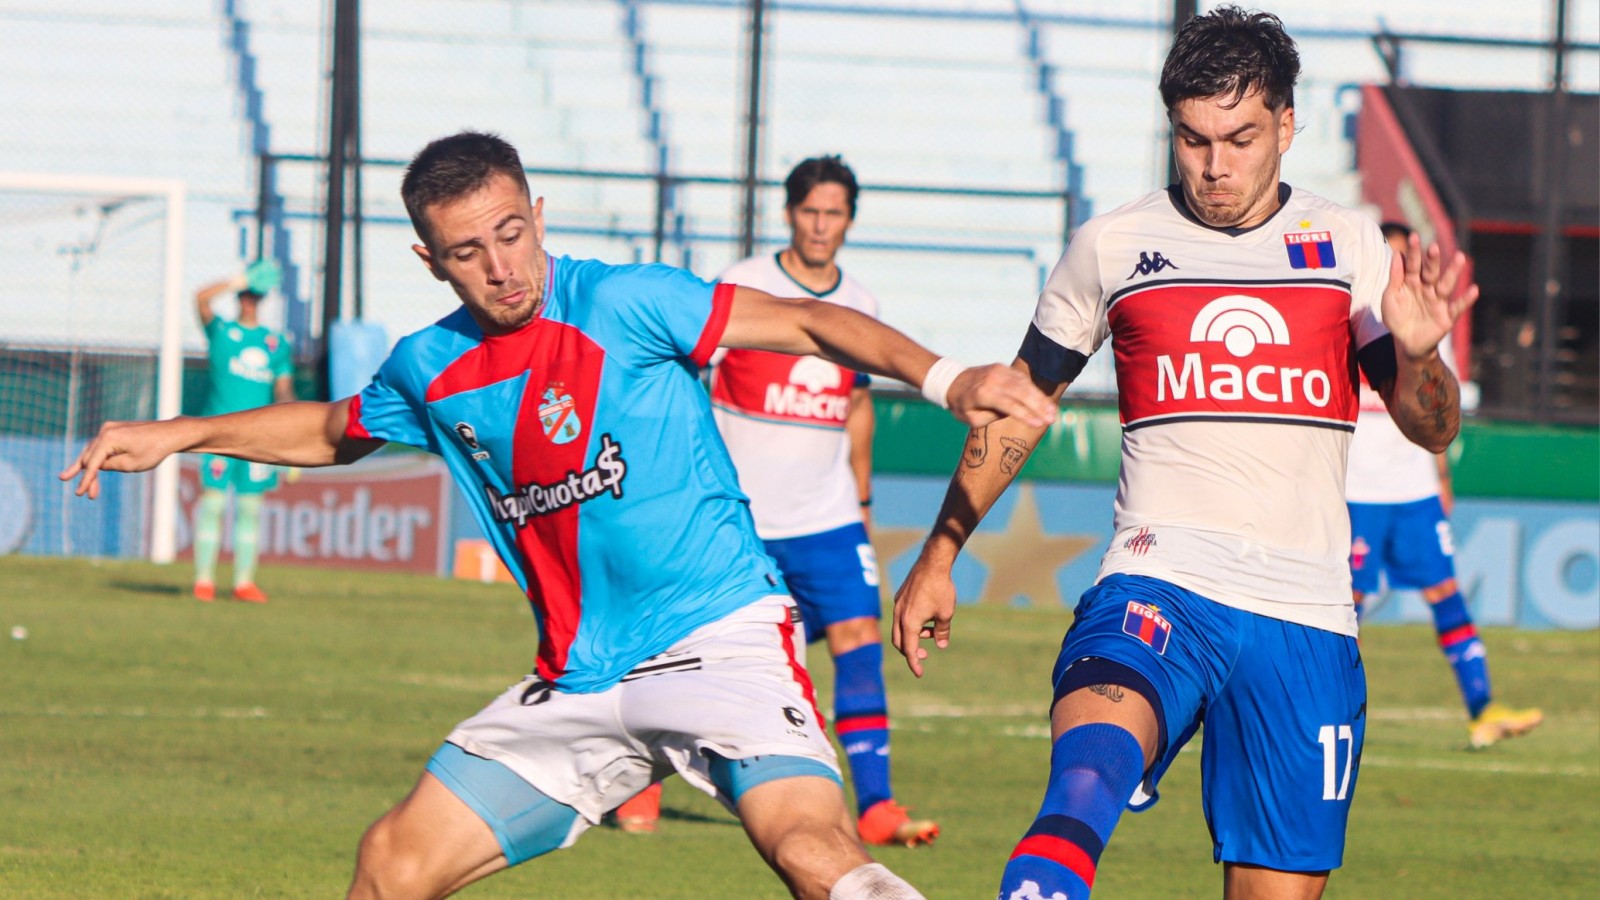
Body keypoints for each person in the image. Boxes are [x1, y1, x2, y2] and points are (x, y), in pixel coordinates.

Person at [62, 131, 1056, 900]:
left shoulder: (626, 299)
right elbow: (331, 430)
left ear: (536, 211)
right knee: (392, 865)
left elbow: (801, 320)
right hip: (576, 683)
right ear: (428, 259)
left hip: (720, 647)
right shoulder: (429, 366)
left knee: (809, 852)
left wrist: (946, 375)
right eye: (468, 251)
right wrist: (184, 432)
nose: (502, 267)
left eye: (511, 232)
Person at [890, 9, 1477, 899]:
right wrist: (940, 554)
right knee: (1084, 779)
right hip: (1159, 579)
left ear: (1286, 124)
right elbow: (1017, 410)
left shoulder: (1349, 244)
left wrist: (1423, 354)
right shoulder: (1112, 245)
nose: (1214, 167)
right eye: (1192, 139)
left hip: (1305, 616)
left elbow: (1433, 427)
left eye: (1239, 139)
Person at [614, 156, 939, 847]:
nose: (822, 226)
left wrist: (863, 499)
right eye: (811, 212)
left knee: (858, 642)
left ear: (849, 221)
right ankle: (639, 782)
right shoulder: (743, 285)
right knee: (688, 645)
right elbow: (685, 379)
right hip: (739, 518)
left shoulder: (864, 305)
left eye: (835, 214)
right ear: (790, 214)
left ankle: (876, 806)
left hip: (828, 517)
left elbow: (855, 409)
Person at [1346, 222, 1542, 750]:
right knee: (1346, 607)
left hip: (1413, 489)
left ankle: (1483, 709)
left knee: (1444, 591)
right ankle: (1325, 713)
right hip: (1356, 490)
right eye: (1392, 252)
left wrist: (1441, 475)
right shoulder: (1353, 313)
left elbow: (1438, 402)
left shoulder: (1425, 318)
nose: (1400, 261)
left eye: (1406, 252)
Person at [190, 261, 294, 603]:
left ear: (261, 299)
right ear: (239, 295)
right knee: (214, 505)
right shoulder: (222, 332)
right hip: (219, 436)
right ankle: (204, 581)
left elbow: (283, 392)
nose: (249, 299)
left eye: (255, 294)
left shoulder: (275, 343)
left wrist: (291, 440)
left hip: (257, 440)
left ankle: (243, 583)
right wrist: (237, 279)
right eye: (246, 293)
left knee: (250, 509)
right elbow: (200, 299)